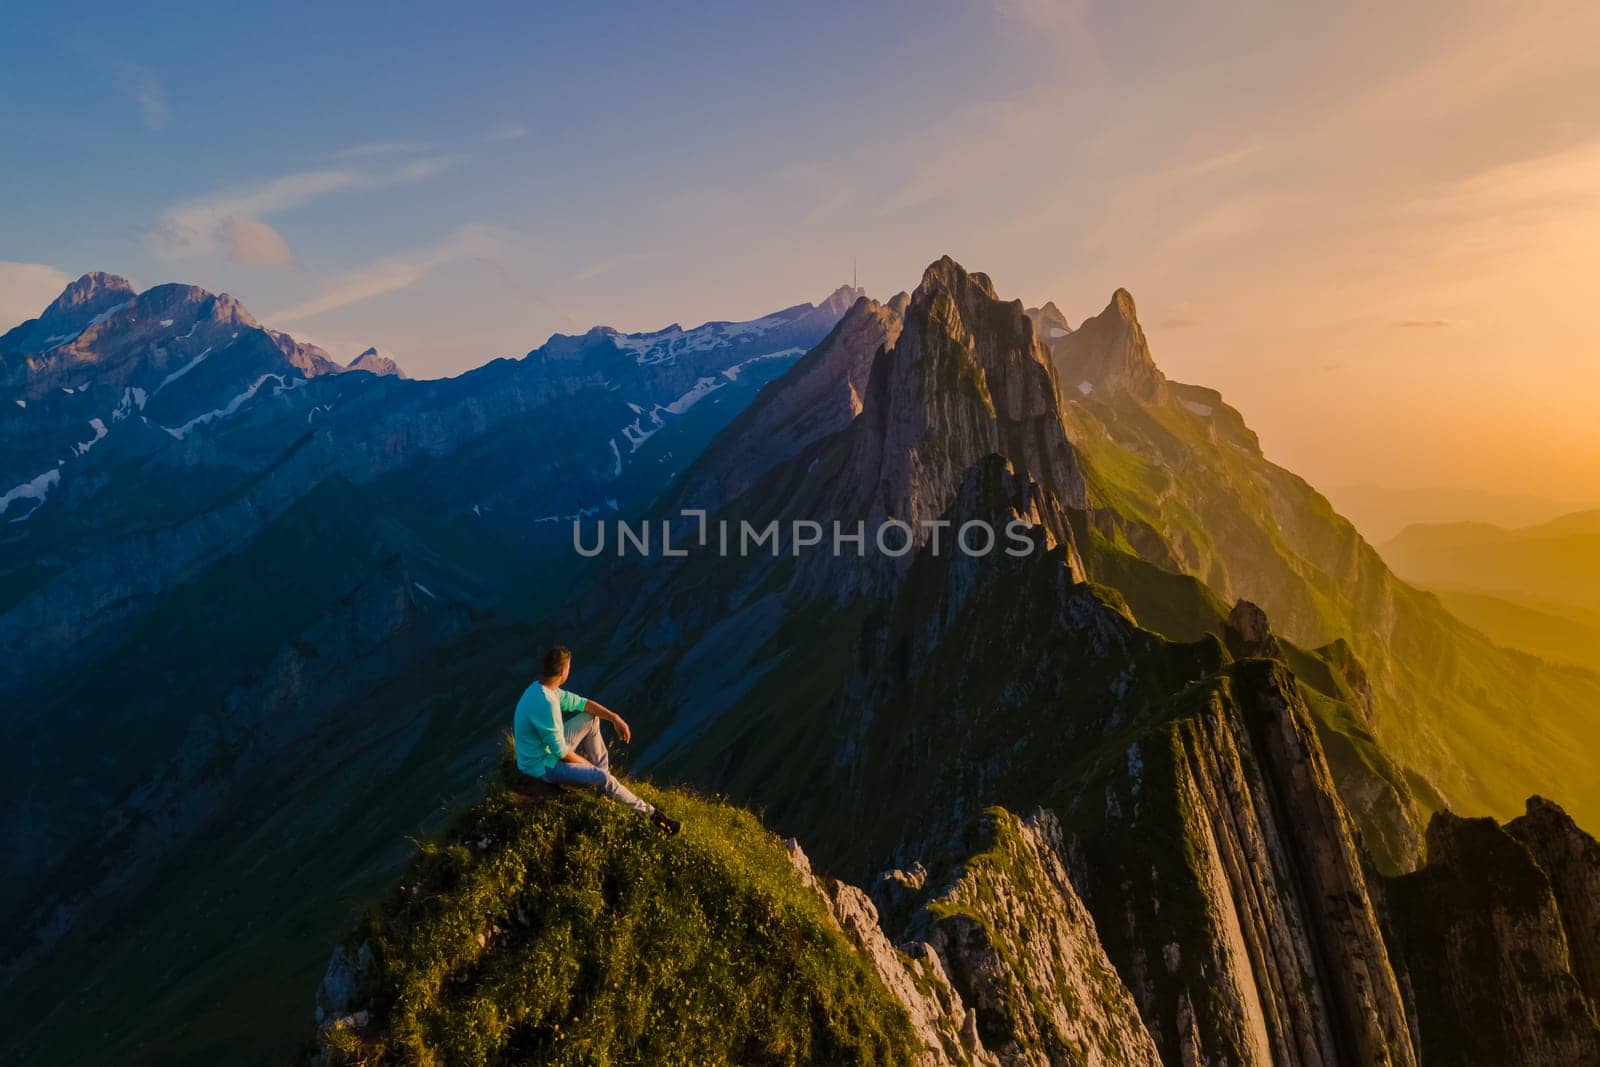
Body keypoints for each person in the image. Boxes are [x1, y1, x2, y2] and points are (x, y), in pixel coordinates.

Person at [513, 645, 680, 835]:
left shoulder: (543, 689)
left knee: (591, 719)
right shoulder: (547, 703)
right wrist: (587, 767)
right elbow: (561, 752)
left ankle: (604, 783)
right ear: (563, 671)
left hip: (543, 752)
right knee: (601, 777)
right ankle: (652, 815)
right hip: (542, 767)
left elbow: (583, 704)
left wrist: (614, 717)